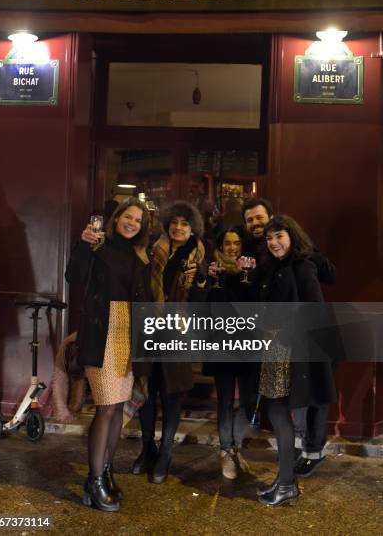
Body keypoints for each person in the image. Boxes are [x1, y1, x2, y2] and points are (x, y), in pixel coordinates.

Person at [65, 198, 152, 512]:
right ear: (116, 219)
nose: (132, 223)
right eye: (128, 217)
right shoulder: (97, 244)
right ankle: (94, 480)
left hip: (127, 333)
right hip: (102, 333)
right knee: (105, 408)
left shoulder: (140, 255)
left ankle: (106, 470)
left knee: (118, 409)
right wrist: (83, 244)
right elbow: (73, 277)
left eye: (138, 220)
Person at [242, 196, 336, 476]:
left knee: (309, 397)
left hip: (301, 342)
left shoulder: (302, 262)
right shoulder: (268, 259)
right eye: (251, 221)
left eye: (278, 235)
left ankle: (310, 453)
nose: (272, 240)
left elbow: (314, 304)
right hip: (278, 344)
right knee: (290, 401)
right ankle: (292, 456)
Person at [131, 200, 206, 484]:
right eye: (174, 222)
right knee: (146, 388)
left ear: (192, 228)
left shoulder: (197, 256)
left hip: (179, 331)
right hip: (148, 327)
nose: (178, 227)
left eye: (184, 223)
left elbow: (202, 302)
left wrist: (199, 282)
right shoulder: (152, 249)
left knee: (171, 392)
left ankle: (165, 452)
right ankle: (147, 448)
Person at [204, 226, 258, 479]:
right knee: (225, 401)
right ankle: (227, 450)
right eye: (228, 243)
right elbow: (206, 308)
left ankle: (236, 447)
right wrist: (208, 281)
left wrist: (249, 276)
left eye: (236, 243)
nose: (232, 247)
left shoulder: (251, 270)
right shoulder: (213, 269)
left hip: (247, 343)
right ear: (221, 244)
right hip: (221, 342)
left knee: (249, 400)